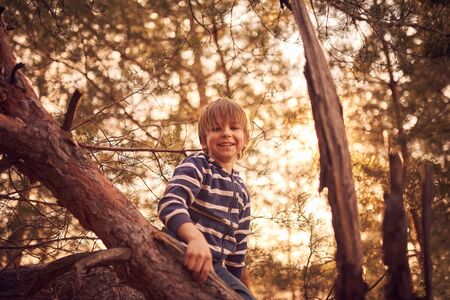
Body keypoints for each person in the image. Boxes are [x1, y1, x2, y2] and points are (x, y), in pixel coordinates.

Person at [158, 97, 255, 299]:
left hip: (215, 266)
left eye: (234, 127)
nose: (226, 133)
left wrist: (235, 285)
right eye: (217, 128)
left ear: (245, 139)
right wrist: (194, 238)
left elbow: (238, 250)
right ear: (204, 140)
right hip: (181, 246)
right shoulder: (197, 166)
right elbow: (170, 204)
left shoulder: (242, 192)